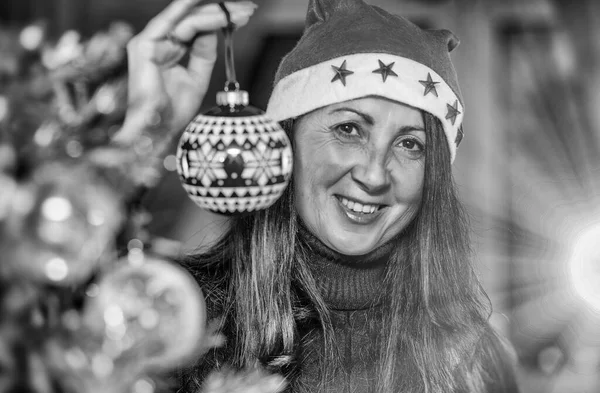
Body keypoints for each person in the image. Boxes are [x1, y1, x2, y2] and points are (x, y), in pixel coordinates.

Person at [122, 0, 521, 392]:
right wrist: (140, 134)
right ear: (286, 140)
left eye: (410, 144)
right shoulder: (179, 316)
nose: (374, 174)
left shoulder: (475, 358)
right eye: (349, 130)